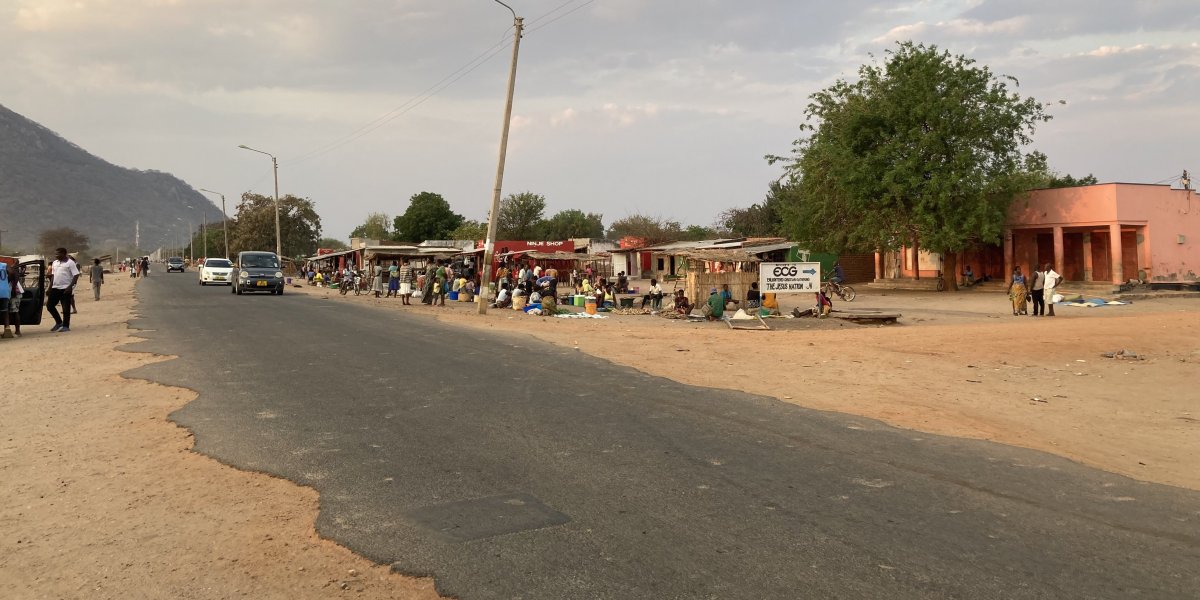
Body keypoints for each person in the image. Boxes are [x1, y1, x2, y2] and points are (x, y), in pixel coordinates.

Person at [47, 247, 80, 332]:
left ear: (64, 254)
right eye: (55, 254)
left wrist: (70, 286)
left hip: (66, 288)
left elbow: (76, 275)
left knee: (65, 308)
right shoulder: (55, 263)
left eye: (58, 254)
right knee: (49, 306)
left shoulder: (70, 263)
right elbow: (53, 275)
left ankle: (66, 326)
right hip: (55, 288)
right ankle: (59, 322)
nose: (56, 255)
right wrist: (49, 287)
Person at [3, 265, 21, 338]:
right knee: (6, 311)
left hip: (14, 292)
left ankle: (18, 331)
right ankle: (7, 332)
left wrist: (13, 289)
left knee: (15, 312)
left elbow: (15, 274)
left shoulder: (5, 266)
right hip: (6, 292)